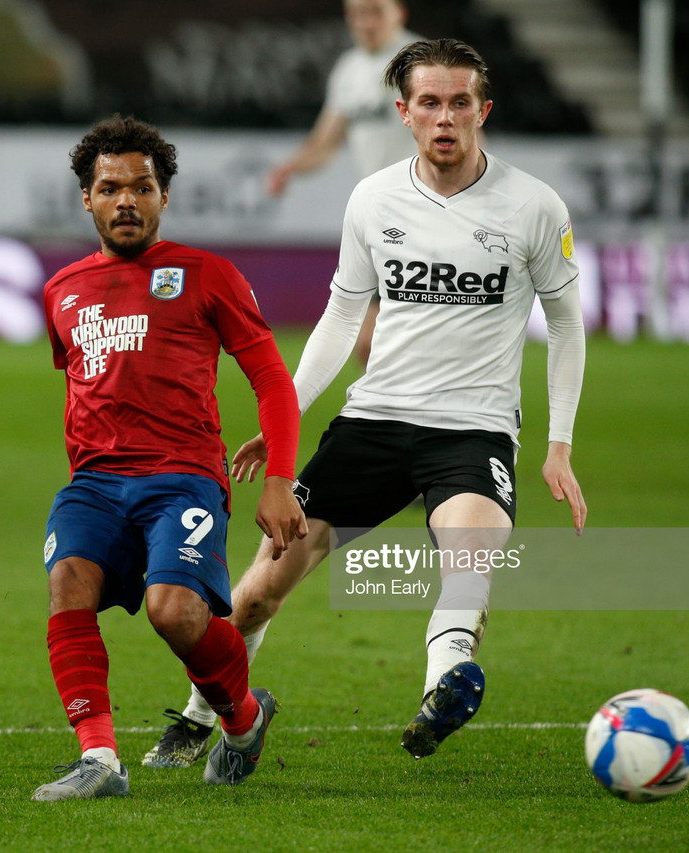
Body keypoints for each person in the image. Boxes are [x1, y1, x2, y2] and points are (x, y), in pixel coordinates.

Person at [143, 38, 586, 769]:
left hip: (471, 432)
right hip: (373, 422)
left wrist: (559, 442)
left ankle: (443, 690)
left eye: (460, 103)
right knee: (255, 594)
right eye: (430, 103)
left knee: (469, 564)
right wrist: (281, 417)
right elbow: (343, 317)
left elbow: (566, 322)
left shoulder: (534, 206)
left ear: (484, 110)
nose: (445, 117)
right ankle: (203, 713)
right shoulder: (374, 199)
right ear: (404, 113)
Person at [32, 115, 307, 801]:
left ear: (163, 197)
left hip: (182, 477)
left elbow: (272, 378)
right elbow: (78, 378)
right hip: (95, 482)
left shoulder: (207, 275)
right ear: (87, 200)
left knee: (174, 611)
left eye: (143, 187)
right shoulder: (62, 290)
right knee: (68, 582)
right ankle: (99, 758)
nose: (127, 199)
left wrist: (278, 480)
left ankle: (243, 719)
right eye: (110, 187)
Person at [265, 0, 421, 367]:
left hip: (425, 213)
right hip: (381, 221)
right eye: (357, 15)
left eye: (375, 12)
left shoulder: (424, 62)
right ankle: (402, 418)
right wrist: (290, 168)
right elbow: (325, 142)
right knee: (372, 346)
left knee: (379, 342)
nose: (366, 23)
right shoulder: (350, 69)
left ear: (399, 12)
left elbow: (466, 137)